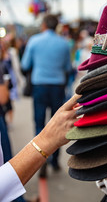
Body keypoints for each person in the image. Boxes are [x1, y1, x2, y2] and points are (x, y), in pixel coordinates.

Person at [0, 94, 80, 202]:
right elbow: (3, 96)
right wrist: (45, 140)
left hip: (40, 86)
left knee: (40, 124)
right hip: (56, 86)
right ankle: (54, 162)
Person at [21, 14, 72, 176]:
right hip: (57, 86)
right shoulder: (64, 44)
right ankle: (55, 160)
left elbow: (25, 64)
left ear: (43, 25)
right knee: (56, 123)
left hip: (39, 85)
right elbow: (67, 67)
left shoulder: (34, 41)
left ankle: (39, 159)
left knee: (39, 122)